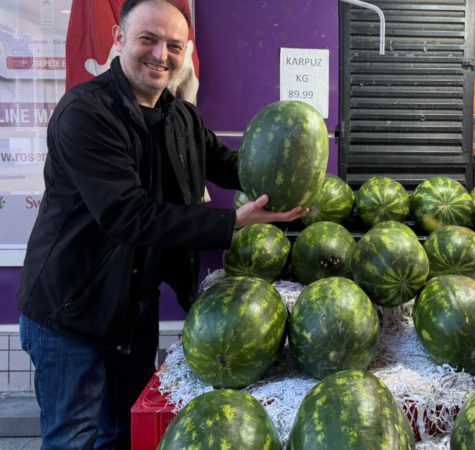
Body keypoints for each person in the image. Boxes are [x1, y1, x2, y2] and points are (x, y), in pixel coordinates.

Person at [15, 1, 307, 448]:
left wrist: (288, 171)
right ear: (119, 39)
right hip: (73, 309)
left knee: (121, 433)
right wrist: (231, 220)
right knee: (73, 438)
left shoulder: (181, 115)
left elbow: (228, 164)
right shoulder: (86, 112)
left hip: (133, 308)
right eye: (148, 39)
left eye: (174, 45)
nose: (161, 55)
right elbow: (127, 215)